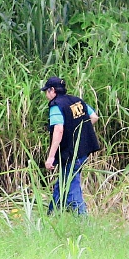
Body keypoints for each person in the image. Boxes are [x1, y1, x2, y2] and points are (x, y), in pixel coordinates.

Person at [41, 76, 100, 215]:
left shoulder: (56, 105)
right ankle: (52, 215)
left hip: (71, 153)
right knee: (63, 182)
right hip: (83, 150)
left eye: (46, 91)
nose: (46, 95)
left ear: (52, 90)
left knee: (71, 187)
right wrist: (79, 131)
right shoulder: (77, 100)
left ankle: (82, 220)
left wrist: (50, 158)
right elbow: (94, 117)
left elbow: (59, 130)